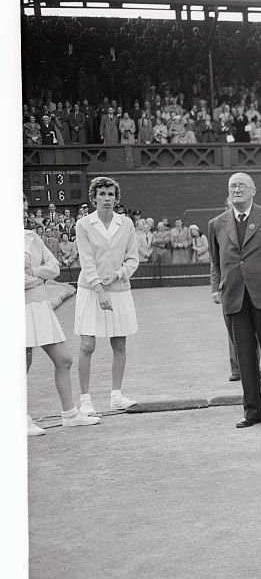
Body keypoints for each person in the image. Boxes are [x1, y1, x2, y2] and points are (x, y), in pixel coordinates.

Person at [209, 172, 261, 428]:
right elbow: (216, 261)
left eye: (242, 185)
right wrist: (218, 288)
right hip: (235, 298)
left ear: (254, 191)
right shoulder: (216, 224)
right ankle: (252, 411)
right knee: (245, 360)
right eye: (232, 186)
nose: (237, 189)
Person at [74, 177, 141, 416]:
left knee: (119, 343)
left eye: (110, 194)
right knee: (87, 344)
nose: (106, 199)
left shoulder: (127, 224)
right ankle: (85, 400)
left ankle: (116, 396)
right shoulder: (83, 225)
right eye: (101, 194)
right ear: (94, 198)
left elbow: (133, 258)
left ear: (116, 198)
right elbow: (87, 260)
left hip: (119, 290)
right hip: (91, 291)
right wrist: (100, 289)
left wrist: (118, 274)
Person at [25, 227, 101, 435]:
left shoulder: (32, 237)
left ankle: (70, 415)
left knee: (64, 359)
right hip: (18, 307)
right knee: (21, 365)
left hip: (40, 306)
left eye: (23, 209)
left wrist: (32, 273)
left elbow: (54, 268)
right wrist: (40, 277)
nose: (21, 213)